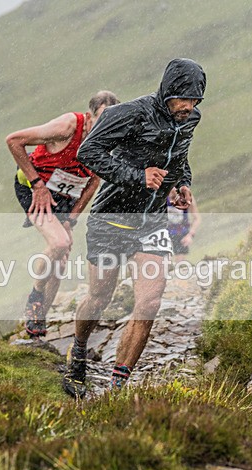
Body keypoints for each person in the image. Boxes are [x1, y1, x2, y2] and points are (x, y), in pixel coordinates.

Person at [63, 58, 206, 398]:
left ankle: (116, 387)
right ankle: (79, 351)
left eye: (195, 100)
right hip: (111, 218)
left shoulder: (190, 118)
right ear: (167, 91)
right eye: (182, 99)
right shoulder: (129, 114)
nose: (188, 106)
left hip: (153, 220)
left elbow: (179, 157)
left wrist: (181, 183)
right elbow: (89, 152)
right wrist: (137, 177)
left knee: (150, 301)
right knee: (99, 297)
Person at [6, 91, 119, 338]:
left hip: (66, 196)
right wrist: (37, 185)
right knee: (59, 243)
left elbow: (93, 182)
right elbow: (14, 141)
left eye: (112, 119)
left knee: (60, 260)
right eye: (101, 118)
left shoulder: (110, 139)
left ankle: (36, 324)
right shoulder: (67, 127)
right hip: (35, 187)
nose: (105, 125)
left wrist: (72, 217)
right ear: (90, 116)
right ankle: (36, 294)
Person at [167, 191, 201, 263]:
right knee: (165, 264)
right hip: (165, 234)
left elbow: (197, 218)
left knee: (180, 264)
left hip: (181, 235)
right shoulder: (160, 196)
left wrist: (190, 235)